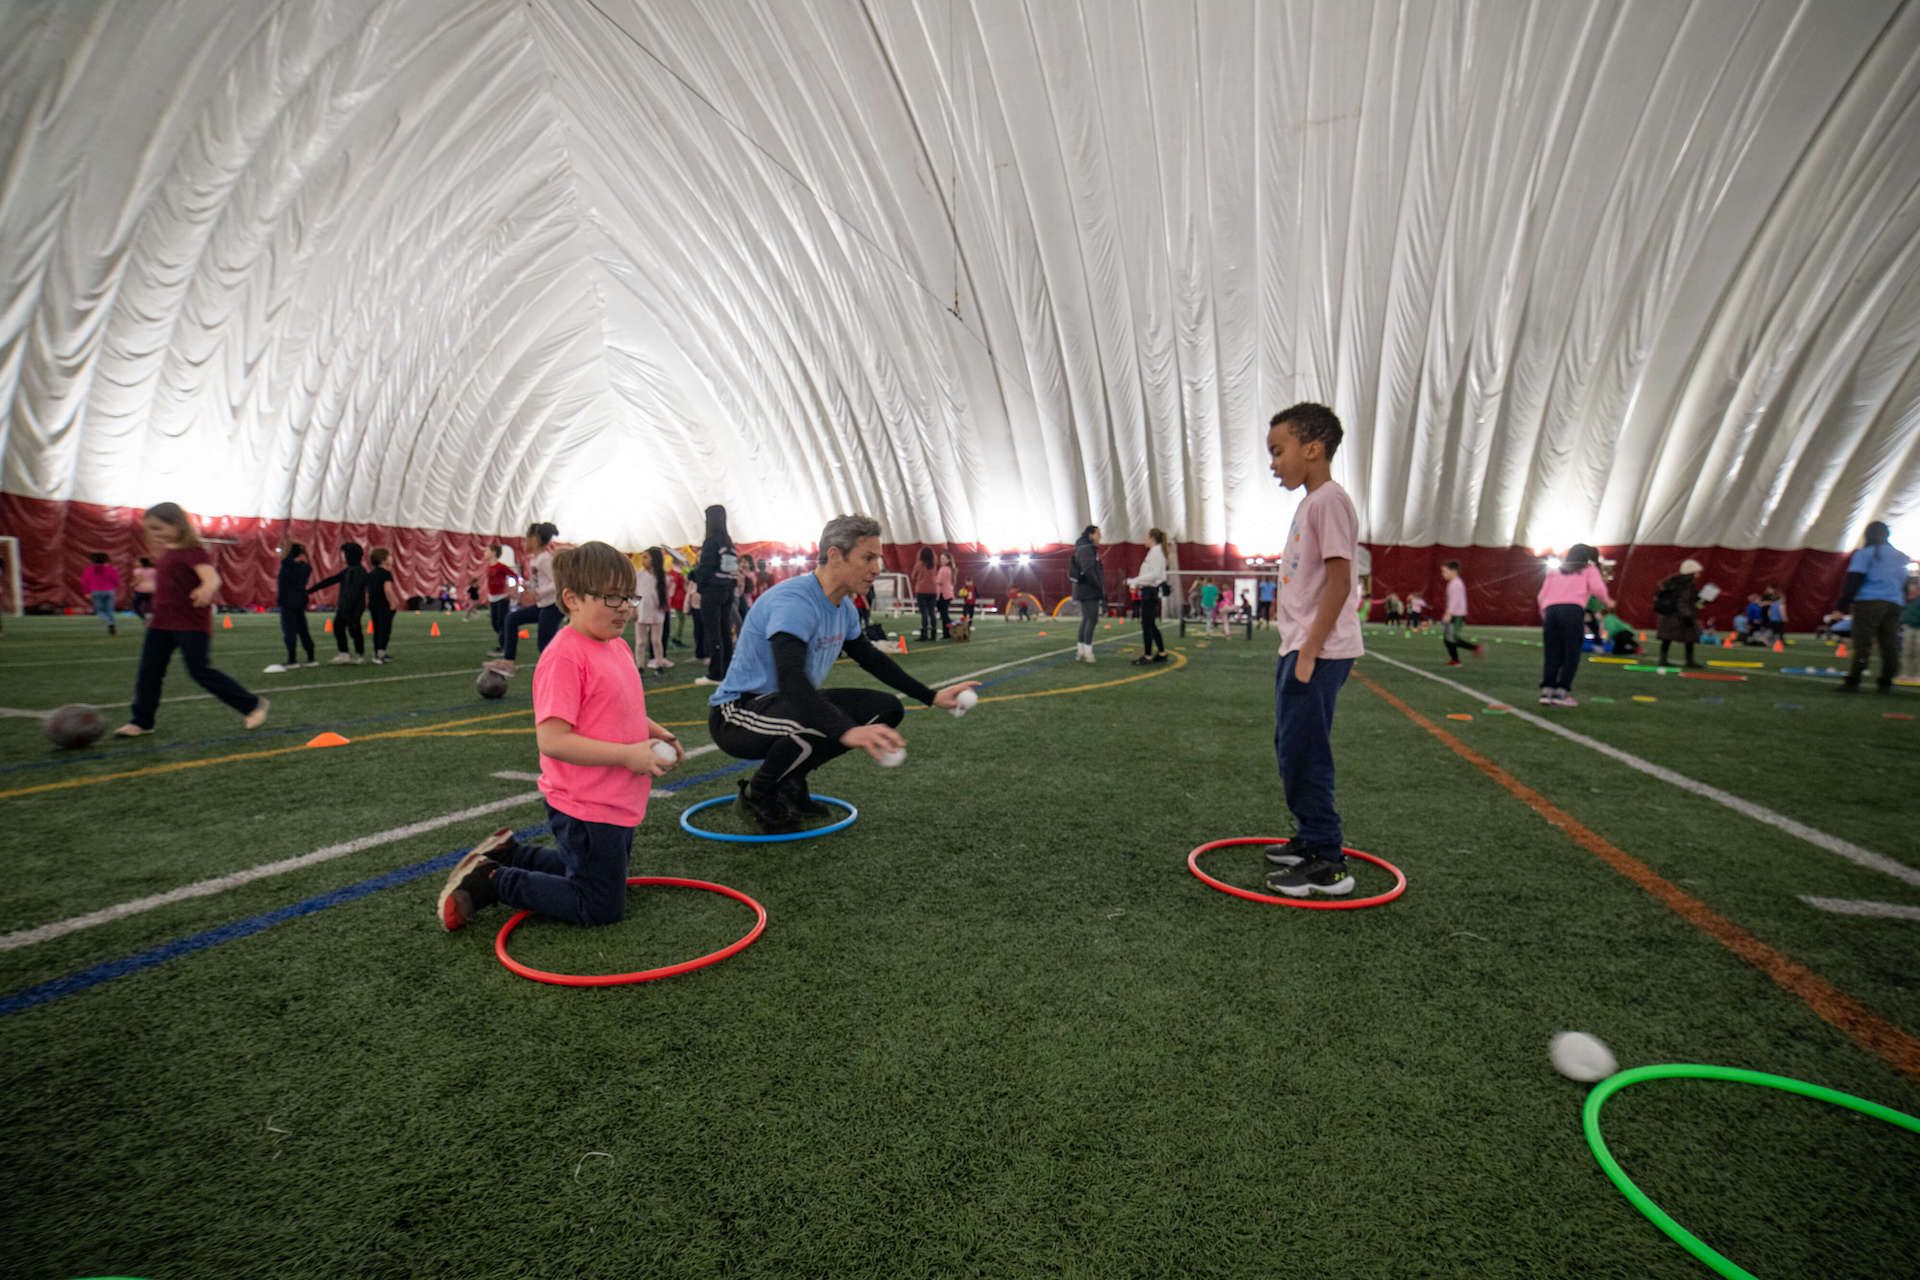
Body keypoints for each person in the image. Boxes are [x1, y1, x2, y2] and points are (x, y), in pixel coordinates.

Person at [436, 541, 682, 932]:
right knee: (599, 907)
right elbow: (552, 741)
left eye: (628, 596)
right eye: (611, 597)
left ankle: (512, 854)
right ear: (572, 599)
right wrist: (626, 756)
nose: (625, 607)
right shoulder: (565, 656)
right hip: (585, 802)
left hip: (614, 797)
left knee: (598, 875)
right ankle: (493, 880)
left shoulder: (615, 647)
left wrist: (659, 733)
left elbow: (623, 709)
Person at [706, 514, 978, 833]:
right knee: (822, 721)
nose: (877, 567)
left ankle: (790, 782)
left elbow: (871, 659)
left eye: (877, 557)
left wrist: (930, 696)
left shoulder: (845, 607)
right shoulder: (794, 601)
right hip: (737, 715)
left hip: (787, 705)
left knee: (887, 709)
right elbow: (791, 678)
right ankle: (758, 794)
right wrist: (846, 730)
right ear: (835, 555)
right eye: (868, 557)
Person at [1259, 403, 1365, 898]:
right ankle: (1309, 838)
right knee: (1291, 746)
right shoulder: (1310, 503)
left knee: (1306, 751)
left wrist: (1310, 649)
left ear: (1313, 448)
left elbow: (1342, 581)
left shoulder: (1329, 501)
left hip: (1317, 650)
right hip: (1302, 645)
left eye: (1279, 451)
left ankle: (1327, 861)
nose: (1274, 463)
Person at [114, 502, 268, 738]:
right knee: (149, 672)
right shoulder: (166, 553)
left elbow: (212, 577)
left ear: (177, 525)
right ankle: (142, 721)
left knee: (200, 671)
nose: (153, 534)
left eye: (158, 528)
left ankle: (251, 705)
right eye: (150, 529)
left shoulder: (193, 551)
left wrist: (206, 589)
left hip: (190, 622)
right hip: (162, 623)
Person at [1833, 520, 1908, 693]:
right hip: (1894, 603)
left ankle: (1854, 680)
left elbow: (1854, 580)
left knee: (1863, 643)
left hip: (1869, 602)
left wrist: (1842, 605)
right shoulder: (1900, 556)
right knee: (1889, 644)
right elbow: (1904, 584)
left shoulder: (1865, 554)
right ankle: (1886, 682)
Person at [1537, 544, 1612, 706]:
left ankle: (1546, 692)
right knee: (1571, 654)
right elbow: (1598, 589)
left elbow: (1541, 595)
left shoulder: (1555, 571)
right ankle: (1561, 694)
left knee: (1551, 653)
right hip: (1572, 611)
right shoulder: (1589, 569)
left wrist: (1545, 614)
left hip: (1551, 612)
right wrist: (1608, 602)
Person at [494, 523, 559, 674]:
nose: (524, 542)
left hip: (553, 606)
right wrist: (520, 587)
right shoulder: (534, 560)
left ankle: (557, 673)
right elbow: (537, 582)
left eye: (526, 539)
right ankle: (508, 662)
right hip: (543, 605)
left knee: (544, 644)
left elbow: (556, 583)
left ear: (535, 540)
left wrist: (538, 593)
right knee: (511, 619)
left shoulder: (545, 559)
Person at [691, 505, 738, 685]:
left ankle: (715, 674)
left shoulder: (711, 542)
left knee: (713, 633)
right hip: (727, 592)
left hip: (712, 593)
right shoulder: (729, 543)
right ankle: (726, 671)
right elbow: (731, 571)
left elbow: (706, 570)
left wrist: (693, 575)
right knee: (725, 632)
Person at [308, 542, 369, 664]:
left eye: (343, 553)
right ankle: (344, 654)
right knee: (338, 627)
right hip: (345, 605)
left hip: (354, 607)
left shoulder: (359, 571)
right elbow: (331, 580)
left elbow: (355, 592)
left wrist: (348, 607)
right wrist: (311, 590)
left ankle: (359, 654)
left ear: (349, 555)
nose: (341, 556)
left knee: (354, 629)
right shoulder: (347, 570)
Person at [265, 542, 316, 673]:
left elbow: (286, 564)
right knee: (303, 630)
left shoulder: (288, 566)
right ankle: (311, 658)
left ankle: (292, 660)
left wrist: (288, 554)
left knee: (289, 631)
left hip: (288, 602)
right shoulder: (305, 567)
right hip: (300, 601)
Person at [1127, 528, 1170, 665]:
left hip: (1150, 592)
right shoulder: (1155, 552)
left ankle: (1147, 656)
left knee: (1147, 625)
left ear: (1152, 538)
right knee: (1151, 625)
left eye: (1146, 537)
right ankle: (1162, 653)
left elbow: (1154, 575)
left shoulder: (1156, 553)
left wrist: (1133, 581)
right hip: (1149, 591)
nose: (1145, 540)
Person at [1654, 558, 1705, 669]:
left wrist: (1701, 602)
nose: (1699, 574)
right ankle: (1689, 660)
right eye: (1697, 571)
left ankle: (1663, 659)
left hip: (1667, 614)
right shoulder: (1687, 585)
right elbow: (1683, 601)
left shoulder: (1673, 582)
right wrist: (1687, 616)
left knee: (1667, 638)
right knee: (1690, 638)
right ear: (1691, 572)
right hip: (1678, 615)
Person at [633, 546, 671, 672]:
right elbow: (634, 594)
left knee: (656, 641)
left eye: (645, 557)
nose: (643, 560)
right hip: (641, 613)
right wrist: (633, 609)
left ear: (654, 559)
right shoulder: (638, 575)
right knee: (641, 642)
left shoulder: (664, 577)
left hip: (657, 613)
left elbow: (667, 596)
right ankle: (639, 666)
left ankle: (659, 664)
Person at [1439, 561, 1484, 666]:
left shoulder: (1456, 583)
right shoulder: (1453, 583)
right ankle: (1455, 660)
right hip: (1454, 614)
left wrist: (1448, 614)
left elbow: (1455, 600)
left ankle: (1475, 648)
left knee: (1452, 639)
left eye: (1444, 571)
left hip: (1457, 616)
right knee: (1447, 639)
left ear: (1453, 571)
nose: (1443, 574)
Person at [1070, 525, 1104, 662]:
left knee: (1086, 619)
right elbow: (1089, 570)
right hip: (1088, 589)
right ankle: (1087, 652)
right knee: (1092, 619)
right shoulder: (1086, 548)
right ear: (1090, 534)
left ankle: (1081, 650)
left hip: (1084, 588)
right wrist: (1098, 586)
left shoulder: (1084, 547)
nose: (1100, 536)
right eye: (1098, 533)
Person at [365, 547, 403, 664]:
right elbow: (387, 590)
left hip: (373, 605)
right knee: (385, 630)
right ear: (383, 560)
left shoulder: (371, 573)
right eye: (389, 556)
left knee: (377, 630)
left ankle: (378, 652)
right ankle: (380, 655)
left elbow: (367, 591)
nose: (391, 558)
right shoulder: (386, 573)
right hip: (384, 605)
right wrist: (394, 602)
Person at [482, 544, 515, 654]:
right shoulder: (488, 567)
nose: (484, 553)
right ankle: (505, 641)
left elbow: (514, 576)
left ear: (494, 552)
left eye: (486, 551)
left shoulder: (501, 566)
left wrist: (512, 590)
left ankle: (503, 647)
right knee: (494, 623)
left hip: (502, 598)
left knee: (502, 622)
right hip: (493, 598)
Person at [82, 553, 121, 635]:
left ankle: (109, 623)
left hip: (96, 591)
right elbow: (116, 580)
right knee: (110, 610)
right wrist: (114, 587)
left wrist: (86, 592)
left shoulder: (89, 569)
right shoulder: (110, 569)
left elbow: (85, 582)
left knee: (99, 611)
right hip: (109, 591)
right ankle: (112, 625)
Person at [910, 546, 939, 643]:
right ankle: (934, 635)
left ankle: (924, 634)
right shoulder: (934, 565)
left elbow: (913, 576)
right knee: (932, 613)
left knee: (924, 614)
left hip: (921, 590)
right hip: (933, 591)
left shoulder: (919, 564)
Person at [1901, 578, 1920, 682]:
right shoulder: (1906, 600)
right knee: (1907, 652)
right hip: (1908, 627)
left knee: (1918, 652)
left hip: (1918, 629)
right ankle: (1906, 673)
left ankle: (1918, 675)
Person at [935, 550, 957, 639]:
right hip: (947, 594)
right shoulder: (950, 569)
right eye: (941, 558)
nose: (941, 560)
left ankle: (953, 628)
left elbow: (939, 582)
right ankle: (947, 633)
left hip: (943, 594)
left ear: (948, 560)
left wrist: (932, 579)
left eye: (943, 558)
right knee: (944, 615)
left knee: (944, 616)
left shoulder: (943, 569)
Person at [130, 556, 157, 624]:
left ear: (141, 563)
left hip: (141, 590)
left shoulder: (137, 571)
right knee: (149, 605)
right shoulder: (154, 570)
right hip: (152, 590)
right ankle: (150, 618)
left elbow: (139, 580)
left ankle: (144, 618)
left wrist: (132, 584)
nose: (136, 563)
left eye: (138, 561)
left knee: (135, 605)